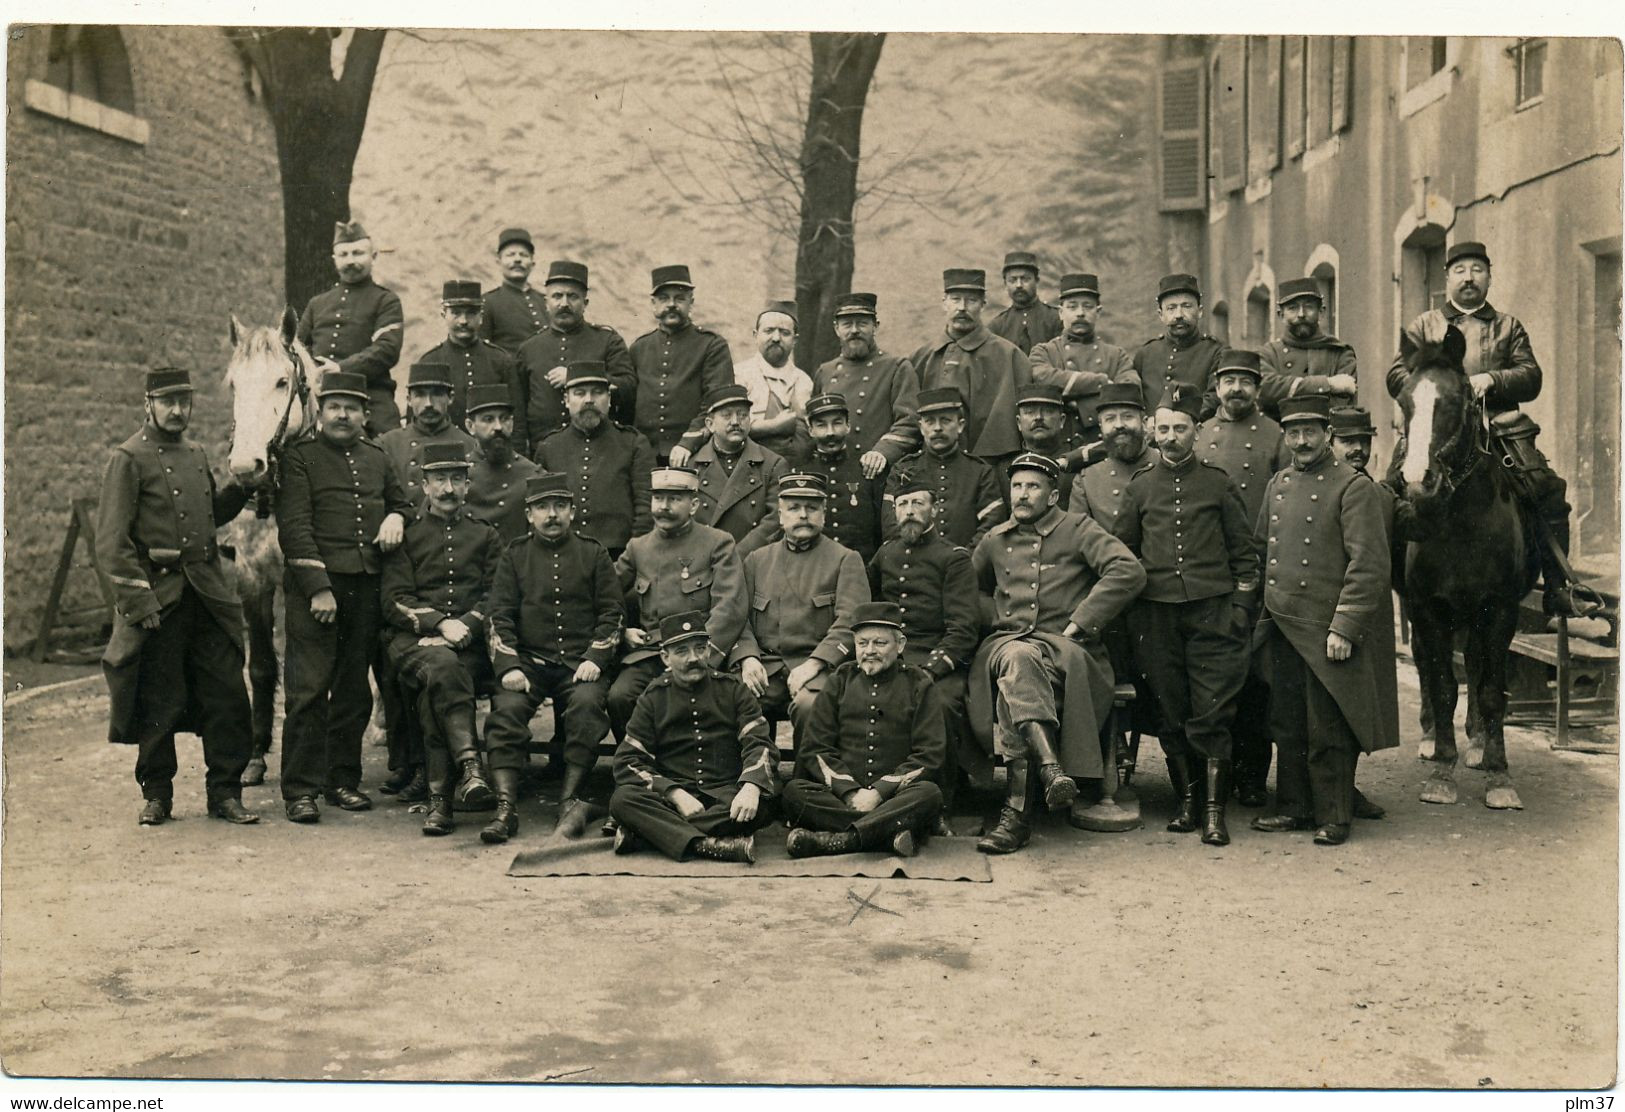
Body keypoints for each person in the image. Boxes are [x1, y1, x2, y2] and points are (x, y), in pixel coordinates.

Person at [97, 367, 260, 826]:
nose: (176, 410)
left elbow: (209, 515)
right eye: (167, 401)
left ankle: (226, 793)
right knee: (159, 698)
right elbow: (112, 542)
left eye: (183, 401)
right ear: (147, 404)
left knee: (226, 692)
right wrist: (140, 602)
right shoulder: (128, 458)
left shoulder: (195, 452)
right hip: (161, 598)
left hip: (207, 594)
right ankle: (157, 795)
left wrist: (241, 489)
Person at [1386, 240, 1579, 616]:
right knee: (1391, 486)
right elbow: (1397, 373)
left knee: (1546, 487)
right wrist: (1438, 388)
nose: (1469, 278)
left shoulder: (1508, 326)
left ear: (1489, 277)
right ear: (1447, 278)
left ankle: (1559, 588)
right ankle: (1392, 577)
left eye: (1477, 270)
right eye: (1460, 270)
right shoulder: (1425, 325)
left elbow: (1531, 375)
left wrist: (1492, 379)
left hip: (1499, 427)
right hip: (1437, 427)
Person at [971, 452, 1146, 854]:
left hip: (1065, 652)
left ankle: (1017, 814)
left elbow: (1128, 570)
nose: (1023, 494)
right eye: (1017, 486)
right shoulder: (994, 539)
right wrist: (996, 614)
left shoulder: (1078, 528)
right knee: (1017, 656)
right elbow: (972, 590)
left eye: (1033, 486)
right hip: (1005, 645)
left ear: (1053, 495)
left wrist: (1080, 622)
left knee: (1018, 676)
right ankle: (1050, 771)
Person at [1114, 385, 1258, 846]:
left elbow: (1245, 558)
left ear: (1197, 432)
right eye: (1164, 429)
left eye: (1181, 428)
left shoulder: (1217, 483)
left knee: (1212, 710)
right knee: (1172, 711)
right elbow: (1124, 556)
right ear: (1152, 434)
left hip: (1213, 615)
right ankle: (1189, 803)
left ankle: (1216, 812)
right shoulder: (1139, 489)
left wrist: (1237, 610)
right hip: (1156, 619)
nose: (1171, 437)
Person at [1251, 397, 1399, 846]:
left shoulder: (1352, 486)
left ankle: (1335, 814)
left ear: (1327, 435)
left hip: (1325, 627)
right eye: (1293, 433)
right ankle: (1294, 807)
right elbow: (1262, 550)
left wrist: (1345, 626)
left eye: (1310, 432)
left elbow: (1369, 564)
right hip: (1283, 623)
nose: (1301, 441)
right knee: (1287, 722)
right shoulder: (1277, 483)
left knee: (1328, 726)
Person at [275, 370, 412, 824]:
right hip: (317, 589)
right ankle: (300, 789)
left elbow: (404, 504)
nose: (342, 415)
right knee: (309, 690)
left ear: (364, 415)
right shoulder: (301, 458)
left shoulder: (376, 457)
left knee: (353, 690)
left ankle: (341, 781)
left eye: (351, 407)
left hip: (366, 586)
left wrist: (395, 516)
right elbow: (294, 528)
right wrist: (318, 589)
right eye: (334, 406)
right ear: (320, 410)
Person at [483, 473, 622, 842]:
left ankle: (569, 800)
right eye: (542, 507)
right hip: (529, 661)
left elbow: (612, 613)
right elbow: (499, 616)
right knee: (507, 710)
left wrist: (596, 656)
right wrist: (510, 665)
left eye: (560, 506)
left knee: (588, 706)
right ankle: (505, 806)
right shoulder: (514, 556)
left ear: (572, 511)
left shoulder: (594, 553)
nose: (552, 515)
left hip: (580, 663)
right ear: (529, 515)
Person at [379, 442, 502, 836]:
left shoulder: (485, 536)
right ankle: (470, 767)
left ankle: (440, 803)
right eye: (440, 480)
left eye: (457, 479)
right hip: (413, 644)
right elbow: (394, 599)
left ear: (467, 485)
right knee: (443, 668)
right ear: (425, 485)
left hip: (467, 643)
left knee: (442, 679)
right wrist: (438, 625)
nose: (448, 489)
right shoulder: (409, 536)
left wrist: (464, 624)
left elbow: (495, 593)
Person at [1193, 349, 1288, 807]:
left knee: (1258, 679)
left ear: (1258, 388)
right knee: (1218, 676)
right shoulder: (1200, 434)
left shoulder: (1276, 436)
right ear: (1216, 386)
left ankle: (1253, 777)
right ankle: (1217, 775)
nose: (1236, 389)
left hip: (1260, 567)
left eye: (1245, 381)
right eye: (1228, 380)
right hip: (1210, 571)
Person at [609, 611, 778, 864]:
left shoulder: (733, 690)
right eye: (682, 652)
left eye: (700, 649)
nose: (693, 658)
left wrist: (751, 786)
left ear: (709, 650)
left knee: (764, 803)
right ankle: (706, 844)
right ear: (665, 657)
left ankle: (650, 834)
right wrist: (674, 793)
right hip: (676, 798)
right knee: (622, 800)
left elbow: (759, 743)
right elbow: (628, 761)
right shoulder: (654, 696)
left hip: (727, 794)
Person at [781, 602, 947, 858]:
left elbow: (929, 754)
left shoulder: (919, 684)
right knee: (794, 792)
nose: (869, 651)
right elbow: (816, 747)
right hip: (843, 798)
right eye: (862, 644)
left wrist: (879, 793)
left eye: (880, 643)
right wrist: (849, 792)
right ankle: (885, 835)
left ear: (900, 645)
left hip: (894, 798)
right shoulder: (840, 679)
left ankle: (840, 840)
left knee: (929, 794)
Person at [867, 479, 979, 830]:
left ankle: (940, 801)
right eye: (902, 505)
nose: (910, 512)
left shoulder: (954, 558)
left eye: (917, 503)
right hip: (891, 655)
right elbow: (868, 611)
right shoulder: (885, 554)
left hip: (938, 659)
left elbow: (963, 628)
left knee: (941, 705)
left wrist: (930, 669)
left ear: (935, 510)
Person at [732, 474, 870, 753]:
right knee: (734, 698)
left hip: (819, 667)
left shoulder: (845, 559)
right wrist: (747, 658)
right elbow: (738, 618)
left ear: (823, 513)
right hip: (766, 665)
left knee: (811, 705)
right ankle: (754, 780)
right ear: (781, 515)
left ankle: (806, 782)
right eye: (794, 508)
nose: (803, 515)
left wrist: (814, 664)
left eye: (811, 508)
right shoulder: (757, 560)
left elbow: (850, 622)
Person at [610, 466, 749, 737]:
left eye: (674, 499)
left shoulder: (718, 543)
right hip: (652, 652)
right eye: (658, 498)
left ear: (694, 504)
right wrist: (621, 630)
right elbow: (605, 596)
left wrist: (702, 655)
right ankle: (636, 767)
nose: (664, 506)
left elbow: (729, 606)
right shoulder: (638, 548)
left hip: (700, 653)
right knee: (620, 697)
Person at [746, 392, 885, 563]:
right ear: (810, 429)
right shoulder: (797, 472)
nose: (830, 432)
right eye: (821, 425)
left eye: (837, 423)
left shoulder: (865, 468)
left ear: (848, 425)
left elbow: (882, 531)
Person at [536, 361, 654, 560]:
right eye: (580, 393)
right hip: (563, 555)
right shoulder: (549, 446)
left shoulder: (634, 443)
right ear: (566, 399)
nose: (589, 400)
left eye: (598, 392)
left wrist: (632, 559)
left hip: (620, 556)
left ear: (609, 399)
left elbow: (646, 507)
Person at [514, 260, 636, 451]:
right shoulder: (529, 348)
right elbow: (518, 407)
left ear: (585, 302)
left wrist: (576, 377)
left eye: (572, 296)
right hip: (544, 450)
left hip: (600, 447)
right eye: (557, 296)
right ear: (546, 303)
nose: (564, 303)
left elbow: (628, 387)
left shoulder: (607, 340)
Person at [297, 221, 405, 436]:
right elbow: (298, 349)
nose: (351, 261)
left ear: (373, 257)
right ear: (334, 260)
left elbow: (387, 350)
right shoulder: (317, 303)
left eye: (358, 253)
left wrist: (341, 369)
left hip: (371, 396)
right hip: (322, 396)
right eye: (344, 255)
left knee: (390, 446)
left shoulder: (386, 300)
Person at [912, 268, 1031, 460]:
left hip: (989, 467)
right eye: (956, 299)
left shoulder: (1009, 356)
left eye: (971, 301)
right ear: (944, 303)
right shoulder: (921, 357)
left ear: (983, 305)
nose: (962, 307)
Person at [630, 264, 734, 463]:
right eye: (664, 299)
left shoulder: (712, 345)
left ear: (691, 302)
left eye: (679, 298)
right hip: (645, 454)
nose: (671, 304)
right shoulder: (639, 348)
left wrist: (689, 442)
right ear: (653, 304)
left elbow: (716, 402)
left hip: (696, 452)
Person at [811, 292, 923, 474]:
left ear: (875, 327)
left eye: (862, 323)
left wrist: (882, 453)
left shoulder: (897, 367)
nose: (854, 330)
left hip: (879, 473)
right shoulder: (825, 371)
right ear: (836, 329)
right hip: (834, 473)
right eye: (847, 324)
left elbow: (910, 421)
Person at [883, 387, 1006, 550]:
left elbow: (991, 526)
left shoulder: (980, 472)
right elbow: (891, 526)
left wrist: (962, 562)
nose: (937, 428)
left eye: (945, 420)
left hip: (966, 568)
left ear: (960, 425)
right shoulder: (903, 469)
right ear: (921, 427)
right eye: (930, 421)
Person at [1029, 272, 1139, 444]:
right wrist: (1101, 382)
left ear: (1098, 312)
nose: (1080, 313)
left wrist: (1079, 407)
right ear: (1060, 312)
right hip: (1058, 446)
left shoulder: (1117, 356)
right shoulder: (1044, 352)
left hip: (1103, 446)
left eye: (1087, 306)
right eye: (1072, 307)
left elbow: (1129, 390)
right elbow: (1043, 380)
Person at [415, 279, 523, 435]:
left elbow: (516, 416)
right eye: (456, 313)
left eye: (471, 313)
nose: (463, 321)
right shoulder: (430, 361)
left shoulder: (500, 359)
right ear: (444, 315)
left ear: (481, 316)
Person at [689, 384, 789, 543]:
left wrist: (736, 557)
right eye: (727, 415)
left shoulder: (773, 464)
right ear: (710, 424)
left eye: (742, 415)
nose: (735, 422)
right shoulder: (692, 466)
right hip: (706, 560)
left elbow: (775, 520)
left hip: (753, 560)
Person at [378, 361, 478, 508]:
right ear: (409, 400)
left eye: (437, 394)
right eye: (420, 395)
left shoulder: (470, 445)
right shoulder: (386, 444)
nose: (429, 403)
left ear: (450, 398)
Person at [1257, 277, 1358, 422]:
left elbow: (1343, 407)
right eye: (1292, 308)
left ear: (1321, 312)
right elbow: (1265, 389)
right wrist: (1328, 384)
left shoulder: (1340, 354)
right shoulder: (1267, 354)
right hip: (1277, 439)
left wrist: (1286, 389)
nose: (1301, 314)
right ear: (1281, 315)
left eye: (1309, 307)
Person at [1131, 273, 1223, 420]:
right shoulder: (1145, 354)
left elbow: (1214, 397)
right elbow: (1134, 399)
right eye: (1171, 308)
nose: (1179, 314)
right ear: (1161, 314)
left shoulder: (1216, 352)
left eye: (1186, 306)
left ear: (1199, 311)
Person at [733, 299, 814, 464]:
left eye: (784, 332)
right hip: (746, 464)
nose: (776, 338)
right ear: (755, 335)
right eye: (769, 330)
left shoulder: (804, 381)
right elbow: (730, 427)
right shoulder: (739, 374)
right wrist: (775, 426)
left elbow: (809, 434)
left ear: (795, 340)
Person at [463, 384, 539, 543]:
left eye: (504, 418)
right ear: (471, 426)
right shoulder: (457, 476)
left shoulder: (533, 474)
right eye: (488, 419)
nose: (498, 427)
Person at [1074, 382, 1155, 529]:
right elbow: (1080, 538)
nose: (1119, 425)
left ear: (1144, 423)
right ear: (1101, 427)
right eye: (1110, 419)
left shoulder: (1165, 465)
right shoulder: (1087, 479)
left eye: (1127, 416)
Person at [1012, 382, 1084, 511]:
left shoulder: (1078, 461)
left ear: (1062, 420)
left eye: (1048, 411)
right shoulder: (1003, 468)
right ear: (1019, 422)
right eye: (1029, 412)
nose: (1038, 417)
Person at [478, 226, 550, 354]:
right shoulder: (487, 302)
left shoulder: (545, 300)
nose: (517, 259)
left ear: (532, 263)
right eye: (510, 255)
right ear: (498, 262)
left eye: (524, 255)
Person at [987, 250, 1063, 354]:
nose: (1019, 285)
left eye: (1025, 279)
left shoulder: (1056, 319)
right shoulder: (997, 325)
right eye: (1012, 280)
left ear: (1036, 280)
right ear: (1005, 284)